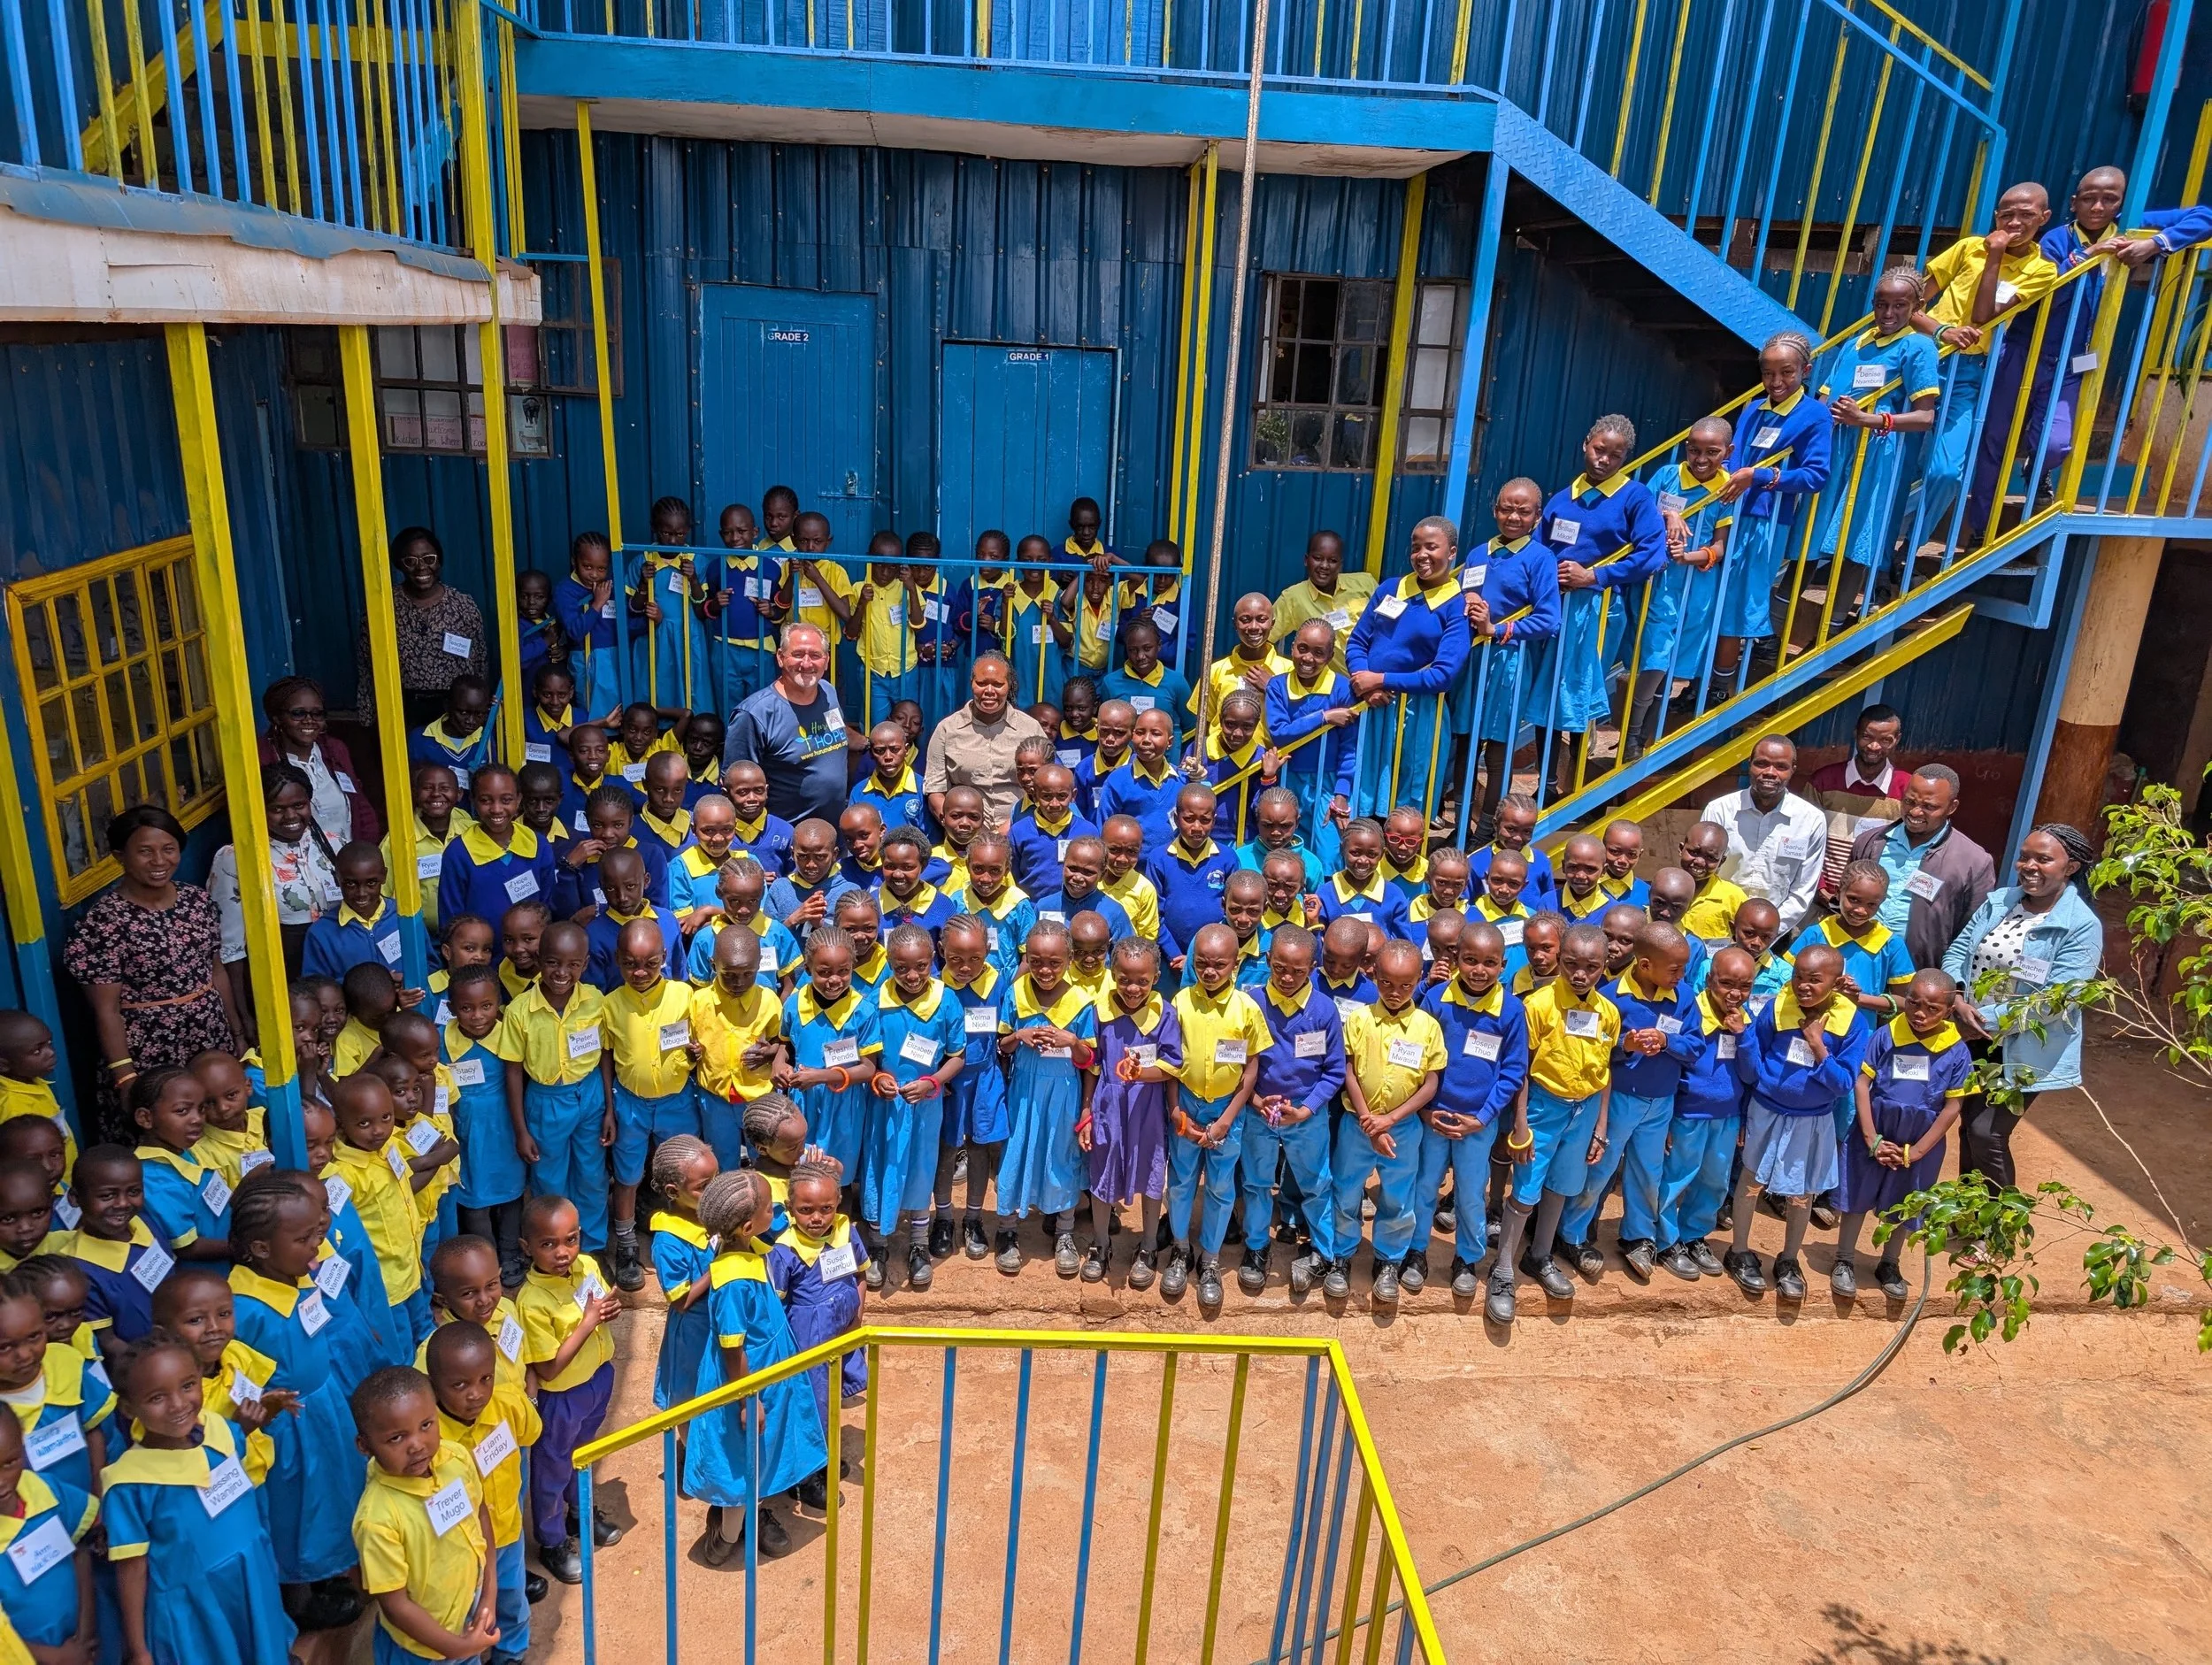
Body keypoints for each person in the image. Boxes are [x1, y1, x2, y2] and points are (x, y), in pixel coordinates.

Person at [1968, 165, 2212, 532]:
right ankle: (1980, 528)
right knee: (1995, 440)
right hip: (2023, 350)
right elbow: (2048, 285)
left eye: (2109, 199)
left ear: (2121, 204)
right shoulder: (2054, 240)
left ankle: (2037, 470)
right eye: (2089, 198)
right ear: (2074, 203)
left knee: (2056, 444)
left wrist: (2155, 244)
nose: (2098, 206)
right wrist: (2091, 255)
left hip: (2072, 360)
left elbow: (2205, 216)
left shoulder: (2131, 228)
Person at [103, 1331, 295, 1665]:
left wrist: (266, 1413)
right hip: (195, 1605)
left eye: (188, 1386)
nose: (179, 1404)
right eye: (157, 1398)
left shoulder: (220, 1430)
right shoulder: (129, 1483)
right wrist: (138, 1649)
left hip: (249, 1576)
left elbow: (237, 1477)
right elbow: (131, 1570)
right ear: (129, 1408)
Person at [1941, 824, 2105, 1191]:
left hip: (2026, 1046)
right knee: (1970, 1125)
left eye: (2044, 859)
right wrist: (1957, 995)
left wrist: (1982, 1019)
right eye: (2025, 856)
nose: (2029, 865)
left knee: (1988, 1133)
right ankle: (1969, 1215)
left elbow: (2059, 998)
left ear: (2071, 867)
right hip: (1972, 1033)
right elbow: (1957, 952)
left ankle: (1994, 1233)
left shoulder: (2080, 925)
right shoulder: (1998, 902)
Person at [65, 806, 242, 1129]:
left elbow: (216, 971)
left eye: (169, 850)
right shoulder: (106, 920)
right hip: (150, 1051)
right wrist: (125, 1075)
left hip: (209, 1036)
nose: (160, 862)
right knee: (165, 1131)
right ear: (120, 856)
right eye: (145, 852)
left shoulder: (196, 901)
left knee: (219, 1126)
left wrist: (236, 1033)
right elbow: (107, 1010)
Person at [1528, 417, 1669, 797]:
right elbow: (1539, 552)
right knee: (1549, 691)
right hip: (1556, 610)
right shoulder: (1561, 499)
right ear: (1585, 444)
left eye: (1615, 455)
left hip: (1599, 609)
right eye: (1599, 449)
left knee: (1579, 691)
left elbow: (1651, 555)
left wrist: (1594, 576)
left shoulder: (1634, 497)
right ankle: (1548, 780)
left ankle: (1574, 783)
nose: (1604, 459)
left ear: (1626, 458)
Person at [1910, 182, 2059, 541]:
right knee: (1901, 463)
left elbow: (1982, 316)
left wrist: (1995, 256)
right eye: (2006, 214)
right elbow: (1910, 306)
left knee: (1946, 471)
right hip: (1924, 359)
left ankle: (1906, 546)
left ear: (2045, 217)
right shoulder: (1966, 248)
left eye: (2026, 215)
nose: (2014, 223)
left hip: (1969, 371)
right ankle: (1877, 556)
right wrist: (1941, 330)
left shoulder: (2042, 270)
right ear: (1996, 215)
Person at [690, 1170, 826, 1562]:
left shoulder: (746, 1245)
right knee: (742, 1464)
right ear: (748, 1225)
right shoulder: (734, 1283)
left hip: (766, 1374)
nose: (778, 1208)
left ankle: (742, 1517)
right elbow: (733, 1349)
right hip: (747, 1383)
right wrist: (749, 1400)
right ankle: (724, 1539)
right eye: (771, 1206)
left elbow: (782, 1219)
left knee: (758, 1455)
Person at [1724, 944, 1870, 1301]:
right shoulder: (1778, 1005)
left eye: (1815, 980)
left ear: (1836, 984)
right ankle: (1739, 1251)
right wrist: (1746, 1107)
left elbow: (1842, 1084)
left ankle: (1788, 1259)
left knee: (1802, 1193)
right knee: (1751, 1180)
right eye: (1798, 976)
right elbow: (1753, 1059)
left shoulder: (1852, 1022)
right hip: (1767, 1108)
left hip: (1812, 1118)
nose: (1803, 986)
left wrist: (1818, 1045)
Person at [1488, 923, 1616, 1325]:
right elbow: (1520, 1070)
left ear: (1603, 966)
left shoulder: (1608, 1013)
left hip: (1585, 1110)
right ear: (1559, 960)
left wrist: (1601, 1126)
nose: (1580, 974)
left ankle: (1539, 1256)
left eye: (1591, 967)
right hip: (1543, 1107)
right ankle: (1503, 1270)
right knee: (1526, 1189)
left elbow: (1605, 1071)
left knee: (1562, 1185)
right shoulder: (1539, 1006)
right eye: (1572, 964)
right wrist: (1521, 1123)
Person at [1809, 274, 1940, 631]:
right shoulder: (1854, 345)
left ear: (1917, 308)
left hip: (1880, 456)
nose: (1888, 313)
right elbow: (1823, 400)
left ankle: (1833, 625)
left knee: (1859, 537)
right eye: (1882, 304)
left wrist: (1866, 418)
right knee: (1815, 532)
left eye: (1900, 305)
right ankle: (1777, 629)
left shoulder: (1918, 347)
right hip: (1837, 452)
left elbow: (1924, 416)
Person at [1834, 967, 1971, 1301]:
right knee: (1857, 1194)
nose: (1920, 1014)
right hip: (1876, 1128)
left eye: (1932, 1009)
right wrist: (1871, 1139)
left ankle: (1889, 1262)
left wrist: (1918, 1152)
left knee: (1908, 1201)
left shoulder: (1957, 1051)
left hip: (1920, 1139)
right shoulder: (1885, 1035)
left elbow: (1952, 1108)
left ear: (1950, 1012)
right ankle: (1844, 1259)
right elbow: (1862, 1084)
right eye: (1913, 1003)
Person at [1709, 334, 1832, 696]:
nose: (1776, 383)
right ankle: (1708, 680)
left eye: (1787, 373)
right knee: (1715, 600)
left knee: (1735, 605)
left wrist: (1760, 476)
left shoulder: (1814, 414)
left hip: (1765, 520)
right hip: (1730, 513)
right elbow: (1733, 457)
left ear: (1806, 371)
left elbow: (1816, 475)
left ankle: (1721, 686)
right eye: (1768, 374)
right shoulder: (1753, 408)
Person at [515, 1194, 621, 1583]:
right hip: (561, 1397)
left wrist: (610, 1309)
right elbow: (548, 1367)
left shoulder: (588, 1265)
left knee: (584, 1453)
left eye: (571, 1239)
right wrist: (590, 1321)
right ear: (527, 1248)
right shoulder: (532, 1301)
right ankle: (552, 1539)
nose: (563, 1252)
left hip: (597, 1379)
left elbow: (603, 1305)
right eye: (548, 1244)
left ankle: (580, 1513)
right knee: (552, 1467)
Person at [1163, 924, 1270, 1310]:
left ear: (1235, 965)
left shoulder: (1247, 1009)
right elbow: (1172, 1065)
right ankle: (1179, 1249)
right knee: (1180, 1181)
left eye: (1218, 965)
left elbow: (1251, 1071)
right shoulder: (1179, 1003)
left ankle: (1209, 1259)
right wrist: (1176, 1110)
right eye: (1202, 964)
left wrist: (1228, 1118)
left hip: (1228, 1110)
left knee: (1222, 1187)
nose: (1209, 971)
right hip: (1187, 1105)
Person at [421, 1320, 541, 1665]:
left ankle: (511, 1654)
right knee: (465, 1615)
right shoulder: (430, 1439)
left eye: (485, 1379)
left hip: (508, 1533)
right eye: (459, 1384)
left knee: (512, 1601)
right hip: (458, 1553)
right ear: (434, 1385)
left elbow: (530, 1435)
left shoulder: (509, 1404)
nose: (475, 1393)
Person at [1333, 940, 1445, 1304]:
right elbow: (1348, 1070)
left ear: (1419, 980)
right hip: (1357, 1125)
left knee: (1398, 1196)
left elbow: (1431, 1084)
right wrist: (1369, 1120)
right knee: (1348, 1189)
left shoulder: (1428, 1027)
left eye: (1406, 986)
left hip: (1403, 1129)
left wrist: (1390, 1120)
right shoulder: (1359, 1020)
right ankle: (1342, 1254)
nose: (1395, 993)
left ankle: (1388, 1260)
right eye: (1386, 984)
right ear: (1374, 976)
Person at [493, 922, 612, 1257]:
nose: (562, 972)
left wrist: (609, 1108)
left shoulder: (595, 1001)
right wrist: (521, 1130)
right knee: (550, 1179)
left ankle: (591, 1248)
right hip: (545, 1102)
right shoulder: (520, 1011)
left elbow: (605, 1054)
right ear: (539, 960)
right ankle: (553, 1251)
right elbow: (513, 1072)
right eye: (553, 963)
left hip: (589, 1095)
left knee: (591, 1175)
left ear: (585, 964)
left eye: (573, 964)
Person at [1344, 517, 1471, 821]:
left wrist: (1381, 679)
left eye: (1431, 547)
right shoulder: (1391, 588)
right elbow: (1357, 642)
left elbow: (1442, 675)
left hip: (1420, 716)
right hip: (1373, 709)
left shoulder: (1457, 605)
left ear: (1452, 552)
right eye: (1416, 547)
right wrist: (1366, 684)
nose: (1422, 555)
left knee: (1406, 807)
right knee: (1364, 795)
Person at [993, 921, 1097, 1276]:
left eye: (1054, 962)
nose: (1045, 970)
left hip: (1063, 1092)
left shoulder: (1081, 1002)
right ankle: (1007, 1230)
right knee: (1016, 1154)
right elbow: (1001, 1046)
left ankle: (1064, 1230)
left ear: (1069, 959)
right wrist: (1019, 1035)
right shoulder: (1016, 993)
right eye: (1036, 961)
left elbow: (1090, 1061)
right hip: (1024, 1091)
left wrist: (1072, 1042)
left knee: (1059, 1156)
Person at [1455, 479, 1558, 831]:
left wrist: (1496, 629)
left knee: (1497, 751)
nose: (1513, 516)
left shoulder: (1540, 558)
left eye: (1523, 510)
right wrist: (1466, 600)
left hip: (1508, 661)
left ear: (1537, 516)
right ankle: (1460, 824)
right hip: (1473, 662)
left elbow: (1548, 619)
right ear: (1495, 510)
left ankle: (1486, 827)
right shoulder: (1478, 553)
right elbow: (1466, 594)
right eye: (1507, 508)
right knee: (1467, 743)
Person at [764, 1156, 864, 1508]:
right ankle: (806, 1478)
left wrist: (857, 1315)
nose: (818, 1218)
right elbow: (775, 1306)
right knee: (811, 1405)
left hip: (845, 1332)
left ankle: (823, 1457)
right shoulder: (785, 1250)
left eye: (825, 1208)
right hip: (809, 1343)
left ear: (838, 1203)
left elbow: (860, 1275)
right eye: (807, 1210)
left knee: (833, 1398)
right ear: (790, 1209)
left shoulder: (845, 1231)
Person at [209, 763, 342, 997]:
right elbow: (231, 947)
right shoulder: (235, 859)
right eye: (277, 809)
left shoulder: (333, 842)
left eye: (299, 805)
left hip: (336, 968)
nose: (291, 816)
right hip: (282, 975)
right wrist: (243, 1019)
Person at [1848, 763, 1996, 971]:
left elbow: (1969, 934)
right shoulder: (1869, 842)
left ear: (1952, 807)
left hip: (1918, 978)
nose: (1915, 812)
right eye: (1909, 801)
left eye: (1929, 806)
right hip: (1856, 965)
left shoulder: (1974, 862)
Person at [726, 625, 859, 831]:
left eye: (815, 655)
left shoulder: (828, 693)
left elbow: (838, 735)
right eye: (798, 655)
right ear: (780, 657)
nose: (806, 664)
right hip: (786, 843)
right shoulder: (754, 714)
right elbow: (734, 784)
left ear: (827, 660)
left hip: (833, 838)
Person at [357, 526, 488, 727]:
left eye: (429, 559)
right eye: (410, 561)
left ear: (439, 560)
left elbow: (479, 661)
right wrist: (369, 718)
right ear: (399, 565)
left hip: (456, 710)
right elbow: (368, 665)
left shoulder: (462, 605)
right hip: (403, 708)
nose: (421, 568)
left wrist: (481, 709)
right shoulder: (383, 607)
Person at [1698, 734, 1826, 932]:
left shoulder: (1811, 820)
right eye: (1762, 763)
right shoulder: (1720, 810)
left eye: (1781, 767)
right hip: (1717, 926)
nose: (1770, 773)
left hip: (1773, 934)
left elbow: (1802, 891)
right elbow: (1702, 872)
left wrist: (1765, 933)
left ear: (1793, 770)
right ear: (1749, 765)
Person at [923, 654, 1048, 832]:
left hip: (1022, 830)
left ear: (1009, 685)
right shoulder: (947, 730)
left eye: (998, 684)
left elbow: (1047, 785)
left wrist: (1012, 826)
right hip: (965, 835)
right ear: (971, 682)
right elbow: (935, 791)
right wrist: (961, 827)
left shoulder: (1030, 729)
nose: (989, 691)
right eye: (981, 683)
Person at [258, 675, 379, 847]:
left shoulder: (335, 750)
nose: (309, 720)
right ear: (277, 718)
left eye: (317, 713)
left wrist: (366, 850)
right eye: (298, 713)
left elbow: (359, 805)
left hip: (348, 862)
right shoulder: (263, 758)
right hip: (295, 865)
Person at [1807, 705, 1909, 896]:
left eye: (1885, 740)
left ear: (1897, 740)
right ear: (1856, 734)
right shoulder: (1823, 780)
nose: (1874, 746)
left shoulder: (1906, 788)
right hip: (1820, 899)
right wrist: (1820, 888)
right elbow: (1805, 837)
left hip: (1873, 906)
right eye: (1867, 737)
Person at [1272, 528, 1374, 675]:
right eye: (1318, 558)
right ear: (1306, 560)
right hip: (1335, 692)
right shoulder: (1292, 598)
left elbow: (1391, 624)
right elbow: (1265, 638)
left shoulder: (1365, 584)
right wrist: (1282, 675)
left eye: (1332, 561)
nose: (1324, 566)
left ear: (1340, 564)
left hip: (1377, 681)